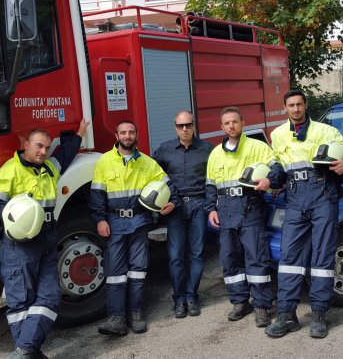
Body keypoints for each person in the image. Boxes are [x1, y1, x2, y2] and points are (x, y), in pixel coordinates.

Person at [0, 120, 88, 359]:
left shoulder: (50, 168)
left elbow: (65, 154)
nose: (43, 151)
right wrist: (17, 223)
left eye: (47, 147)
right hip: (18, 247)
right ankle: (29, 350)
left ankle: (25, 350)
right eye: (39, 146)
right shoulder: (9, 171)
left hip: (46, 243)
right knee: (22, 302)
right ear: (26, 145)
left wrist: (80, 134)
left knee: (50, 297)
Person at [265, 90, 343, 339]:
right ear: (285, 108)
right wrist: (271, 180)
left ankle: (319, 315)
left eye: (299, 104)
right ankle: (287, 315)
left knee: (322, 258)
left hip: (323, 195)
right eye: (291, 105)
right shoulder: (277, 135)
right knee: (289, 259)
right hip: (295, 199)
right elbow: (278, 166)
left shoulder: (325, 130)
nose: (295, 108)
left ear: (305, 105)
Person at [89, 120, 177, 336]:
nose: (127, 136)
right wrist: (100, 219)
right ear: (116, 136)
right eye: (123, 133)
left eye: (131, 132)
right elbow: (97, 194)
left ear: (136, 135)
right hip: (115, 223)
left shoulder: (147, 162)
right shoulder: (104, 161)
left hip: (139, 223)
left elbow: (168, 184)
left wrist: (173, 202)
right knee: (115, 273)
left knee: (138, 271)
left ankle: (137, 313)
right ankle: (116, 318)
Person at [205, 107, 284, 328]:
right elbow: (211, 186)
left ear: (242, 123)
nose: (231, 126)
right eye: (227, 123)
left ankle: (261, 306)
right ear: (221, 127)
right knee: (230, 259)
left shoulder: (257, 147)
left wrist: (271, 181)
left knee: (256, 258)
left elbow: (276, 169)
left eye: (235, 122)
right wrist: (211, 209)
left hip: (251, 207)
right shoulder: (215, 154)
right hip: (226, 211)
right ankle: (240, 302)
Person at [153, 110, 213, 318]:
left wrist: (210, 205)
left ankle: (191, 296)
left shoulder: (207, 149)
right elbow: (152, 174)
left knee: (196, 254)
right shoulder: (165, 150)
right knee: (176, 256)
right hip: (175, 208)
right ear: (175, 127)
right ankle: (179, 299)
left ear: (194, 125)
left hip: (198, 206)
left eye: (188, 125)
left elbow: (215, 178)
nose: (185, 129)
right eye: (181, 126)